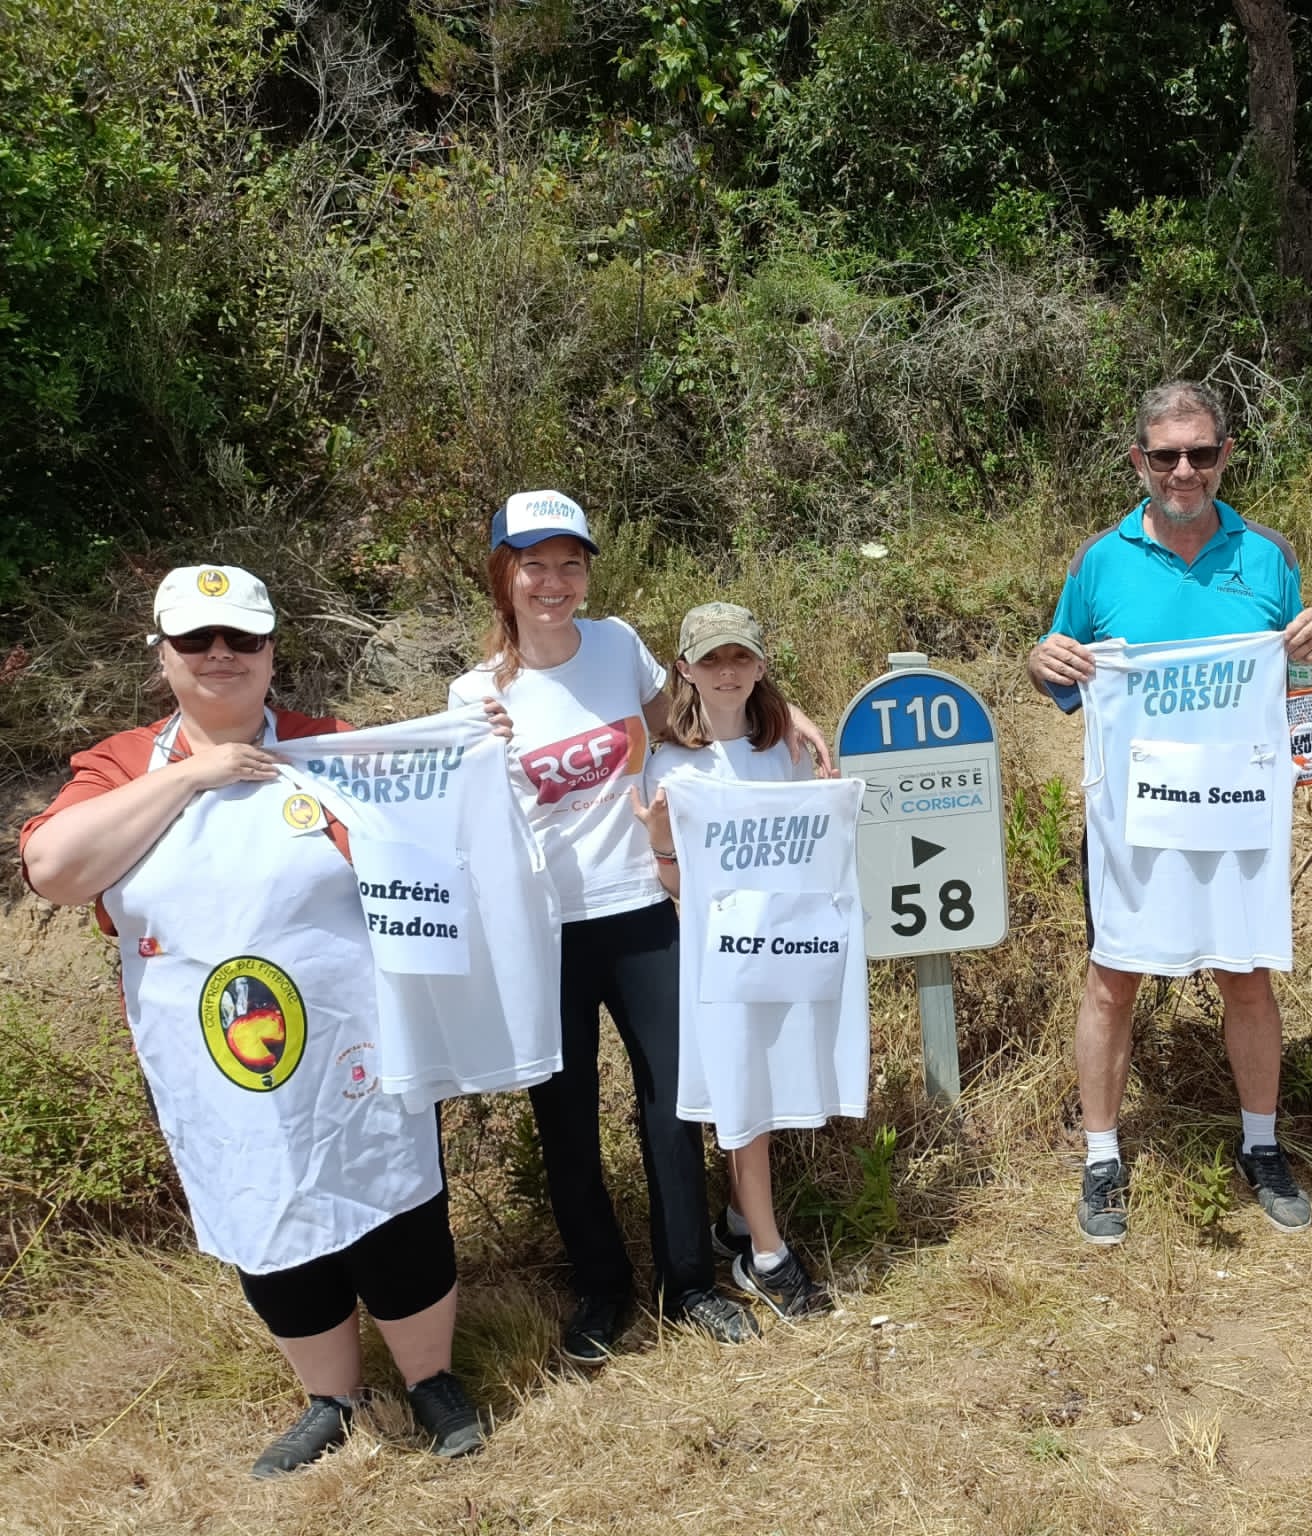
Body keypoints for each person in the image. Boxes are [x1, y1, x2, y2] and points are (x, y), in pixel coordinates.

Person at [19, 565, 486, 1478]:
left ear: (272, 653)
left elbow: (436, 840)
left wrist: (478, 750)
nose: (220, 654)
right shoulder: (120, 766)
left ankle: (431, 1380)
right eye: (197, 639)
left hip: (354, 1046)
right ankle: (332, 1399)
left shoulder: (333, 748)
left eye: (242, 637)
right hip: (218, 1062)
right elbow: (56, 869)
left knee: (393, 1207)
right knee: (263, 1213)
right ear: (163, 655)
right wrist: (198, 774)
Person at [447, 492, 830, 1361]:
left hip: (641, 908)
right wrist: (473, 746)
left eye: (570, 564)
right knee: (566, 1116)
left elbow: (692, 723)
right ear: (503, 576)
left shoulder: (618, 645)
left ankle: (689, 1282)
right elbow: (460, 816)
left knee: (676, 1101)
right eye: (533, 566)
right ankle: (600, 1289)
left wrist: (787, 715)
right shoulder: (475, 694)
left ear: (588, 573)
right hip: (544, 930)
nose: (553, 582)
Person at [1025, 380, 1312, 1245]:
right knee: (1113, 977)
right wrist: (1041, 662)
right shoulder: (1100, 561)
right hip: (1135, 817)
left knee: (1246, 975)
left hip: (1237, 808)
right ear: (1139, 461)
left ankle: (1262, 1145)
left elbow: (1303, 692)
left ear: (1225, 455)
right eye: (1166, 455)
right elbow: (1058, 671)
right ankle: (1101, 1157)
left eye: (1201, 452)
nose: (1184, 470)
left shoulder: (1268, 556)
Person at [630, 602, 833, 1323]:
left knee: (769, 1089)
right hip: (716, 958)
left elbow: (808, 852)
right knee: (743, 1097)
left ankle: (741, 1222)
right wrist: (662, 842)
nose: (726, 672)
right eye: (711, 659)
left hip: (783, 947)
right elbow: (676, 884)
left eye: (740, 657)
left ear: (761, 664)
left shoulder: (784, 751)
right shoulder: (669, 763)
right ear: (684, 668)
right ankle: (766, 1257)